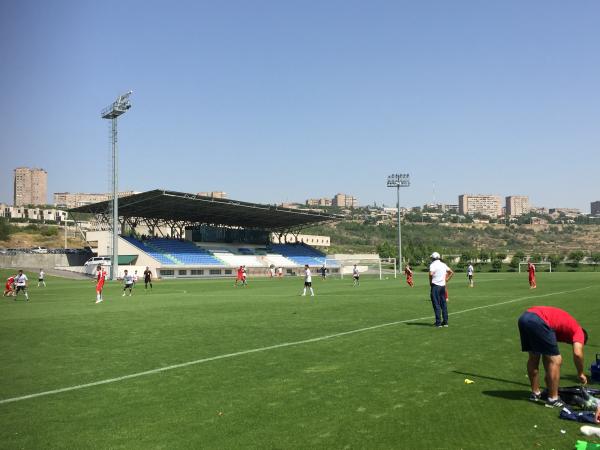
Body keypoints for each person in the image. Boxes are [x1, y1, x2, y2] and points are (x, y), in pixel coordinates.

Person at [518, 306, 588, 408]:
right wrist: (580, 373)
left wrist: (548, 378)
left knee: (534, 357)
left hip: (524, 318)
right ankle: (553, 399)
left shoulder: (562, 330)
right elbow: (578, 353)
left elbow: (547, 354)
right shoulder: (579, 331)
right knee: (556, 360)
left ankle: (535, 393)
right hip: (538, 319)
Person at [429, 252, 453, 328]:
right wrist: (446, 279)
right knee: (443, 304)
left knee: (436, 304)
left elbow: (430, 274)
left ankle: (438, 323)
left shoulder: (433, 265)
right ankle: (445, 322)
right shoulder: (443, 264)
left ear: (433, 258)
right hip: (443, 287)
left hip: (435, 286)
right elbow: (451, 272)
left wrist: (430, 282)